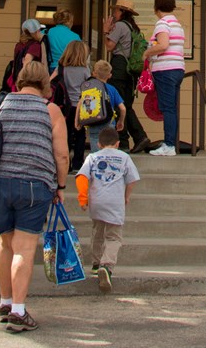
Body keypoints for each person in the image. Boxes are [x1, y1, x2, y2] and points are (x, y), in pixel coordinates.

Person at [0, 61, 68, 333]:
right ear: (45, 84)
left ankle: (5, 301)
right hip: (35, 186)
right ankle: (19, 312)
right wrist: (60, 187)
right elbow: (61, 154)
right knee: (24, 249)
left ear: (19, 80)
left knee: (5, 244)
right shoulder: (51, 111)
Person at [76, 126, 140, 294]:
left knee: (97, 232)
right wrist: (126, 196)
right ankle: (107, 265)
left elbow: (82, 177)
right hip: (115, 202)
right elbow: (132, 179)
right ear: (118, 143)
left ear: (98, 144)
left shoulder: (92, 157)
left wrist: (83, 199)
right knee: (113, 237)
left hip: (96, 201)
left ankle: (96, 264)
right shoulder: (124, 157)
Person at [104, 0, 151, 153]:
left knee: (118, 105)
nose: (114, 13)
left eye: (116, 10)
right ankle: (139, 137)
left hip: (119, 66)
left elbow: (110, 46)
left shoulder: (120, 26)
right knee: (126, 105)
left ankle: (124, 142)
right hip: (131, 70)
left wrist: (106, 31)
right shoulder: (134, 28)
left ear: (122, 12)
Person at [143, 0, 186, 157]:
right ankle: (170, 143)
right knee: (171, 108)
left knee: (167, 108)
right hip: (177, 69)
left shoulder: (162, 23)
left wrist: (146, 53)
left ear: (156, 7)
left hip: (165, 70)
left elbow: (163, 45)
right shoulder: (177, 24)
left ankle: (169, 144)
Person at [51, 40, 91, 174]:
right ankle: (77, 164)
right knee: (80, 135)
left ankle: (65, 164)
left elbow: (51, 82)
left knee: (65, 135)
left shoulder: (62, 68)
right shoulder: (85, 70)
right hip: (81, 107)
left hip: (65, 107)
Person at [77, 59, 126, 155]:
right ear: (110, 75)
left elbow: (80, 104)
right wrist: (121, 121)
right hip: (109, 122)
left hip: (93, 122)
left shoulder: (90, 88)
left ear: (94, 73)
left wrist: (77, 121)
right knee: (110, 151)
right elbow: (123, 108)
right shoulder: (112, 89)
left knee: (96, 153)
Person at [8, 19, 47, 91]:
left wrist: (17, 81)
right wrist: (21, 81)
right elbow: (26, 62)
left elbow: (15, 64)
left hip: (16, 80)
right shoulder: (35, 45)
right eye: (39, 31)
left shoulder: (19, 45)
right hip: (28, 83)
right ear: (35, 32)